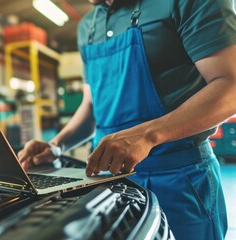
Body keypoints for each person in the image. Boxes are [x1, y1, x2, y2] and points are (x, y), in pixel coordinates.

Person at [17, 0, 235, 239]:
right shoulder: (87, 25)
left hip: (179, 180)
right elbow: (91, 106)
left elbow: (230, 85)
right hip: (109, 185)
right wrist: (55, 146)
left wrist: (147, 134)